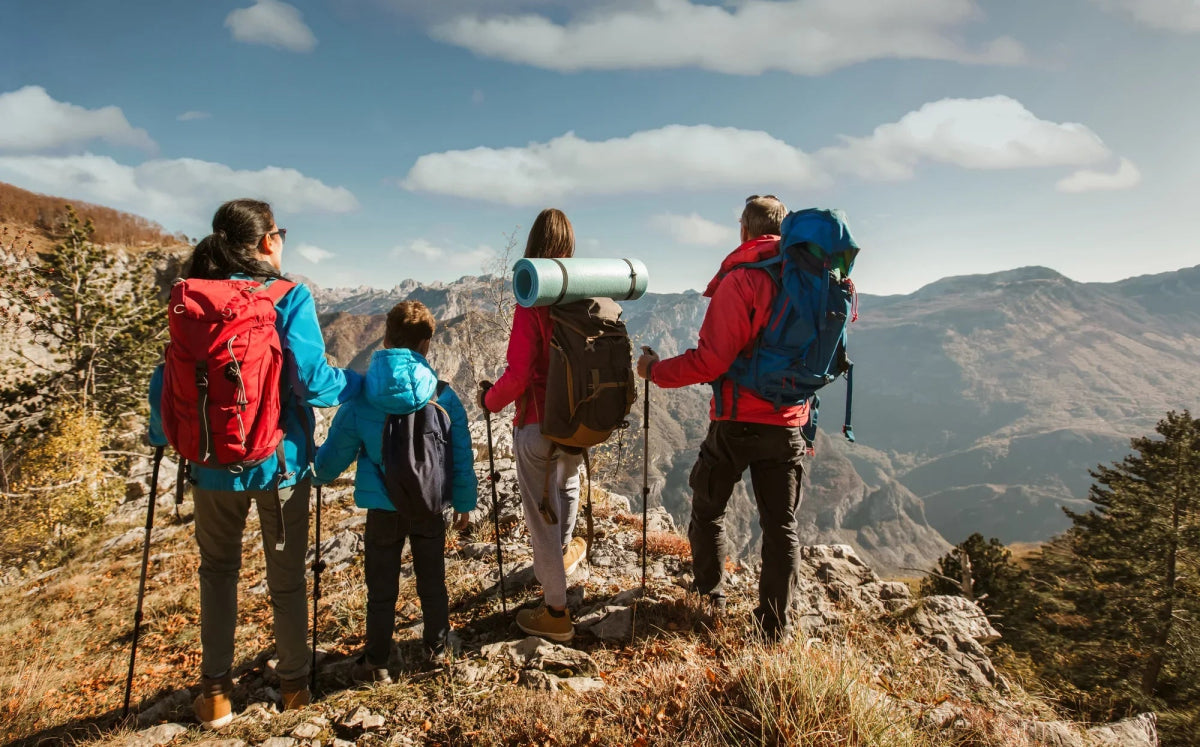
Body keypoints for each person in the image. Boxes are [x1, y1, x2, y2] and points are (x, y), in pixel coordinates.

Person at [148, 199, 361, 728]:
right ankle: (294, 689)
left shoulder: (191, 298)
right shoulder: (289, 295)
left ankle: (216, 694)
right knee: (286, 579)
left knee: (217, 573)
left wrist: (164, 435)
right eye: (280, 231)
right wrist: (360, 384)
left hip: (210, 465)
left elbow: (168, 377)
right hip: (280, 465)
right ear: (268, 241)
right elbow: (313, 382)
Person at [636, 195, 809, 642]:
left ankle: (709, 598)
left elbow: (710, 361)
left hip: (737, 421)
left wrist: (656, 372)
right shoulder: (808, 279)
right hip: (789, 421)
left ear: (744, 230)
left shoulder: (744, 280)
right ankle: (774, 629)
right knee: (780, 527)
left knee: (708, 509)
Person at [313, 300, 477, 681]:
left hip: (382, 507)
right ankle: (437, 647)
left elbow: (337, 451)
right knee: (432, 578)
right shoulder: (444, 395)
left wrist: (317, 474)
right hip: (429, 503)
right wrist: (465, 504)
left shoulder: (362, 395)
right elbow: (461, 457)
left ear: (385, 337)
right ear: (426, 346)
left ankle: (378, 661)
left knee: (381, 586)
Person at [478, 208, 587, 643]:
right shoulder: (583, 295)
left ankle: (556, 611)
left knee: (541, 514)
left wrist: (490, 400)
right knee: (568, 487)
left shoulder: (533, 300)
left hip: (539, 422)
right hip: (578, 421)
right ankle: (562, 557)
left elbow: (520, 374)